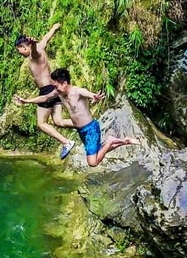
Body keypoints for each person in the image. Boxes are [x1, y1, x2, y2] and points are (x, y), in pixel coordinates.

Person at [14, 68, 138, 167]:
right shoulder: (59, 93)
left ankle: (111, 140)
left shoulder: (76, 91)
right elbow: (45, 98)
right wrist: (26, 101)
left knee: (92, 162)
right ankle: (123, 141)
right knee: (97, 152)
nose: (54, 88)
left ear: (65, 83)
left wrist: (94, 96)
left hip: (90, 129)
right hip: (81, 131)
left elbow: (88, 93)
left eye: (56, 85)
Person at [14, 23, 76, 159]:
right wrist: (55, 27)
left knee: (41, 123)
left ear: (25, 47)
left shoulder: (33, 54)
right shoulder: (42, 45)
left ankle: (67, 142)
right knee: (58, 121)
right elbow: (47, 37)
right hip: (55, 88)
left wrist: (33, 45)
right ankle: (83, 122)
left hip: (46, 90)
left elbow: (35, 52)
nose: (20, 54)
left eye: (20, 50)